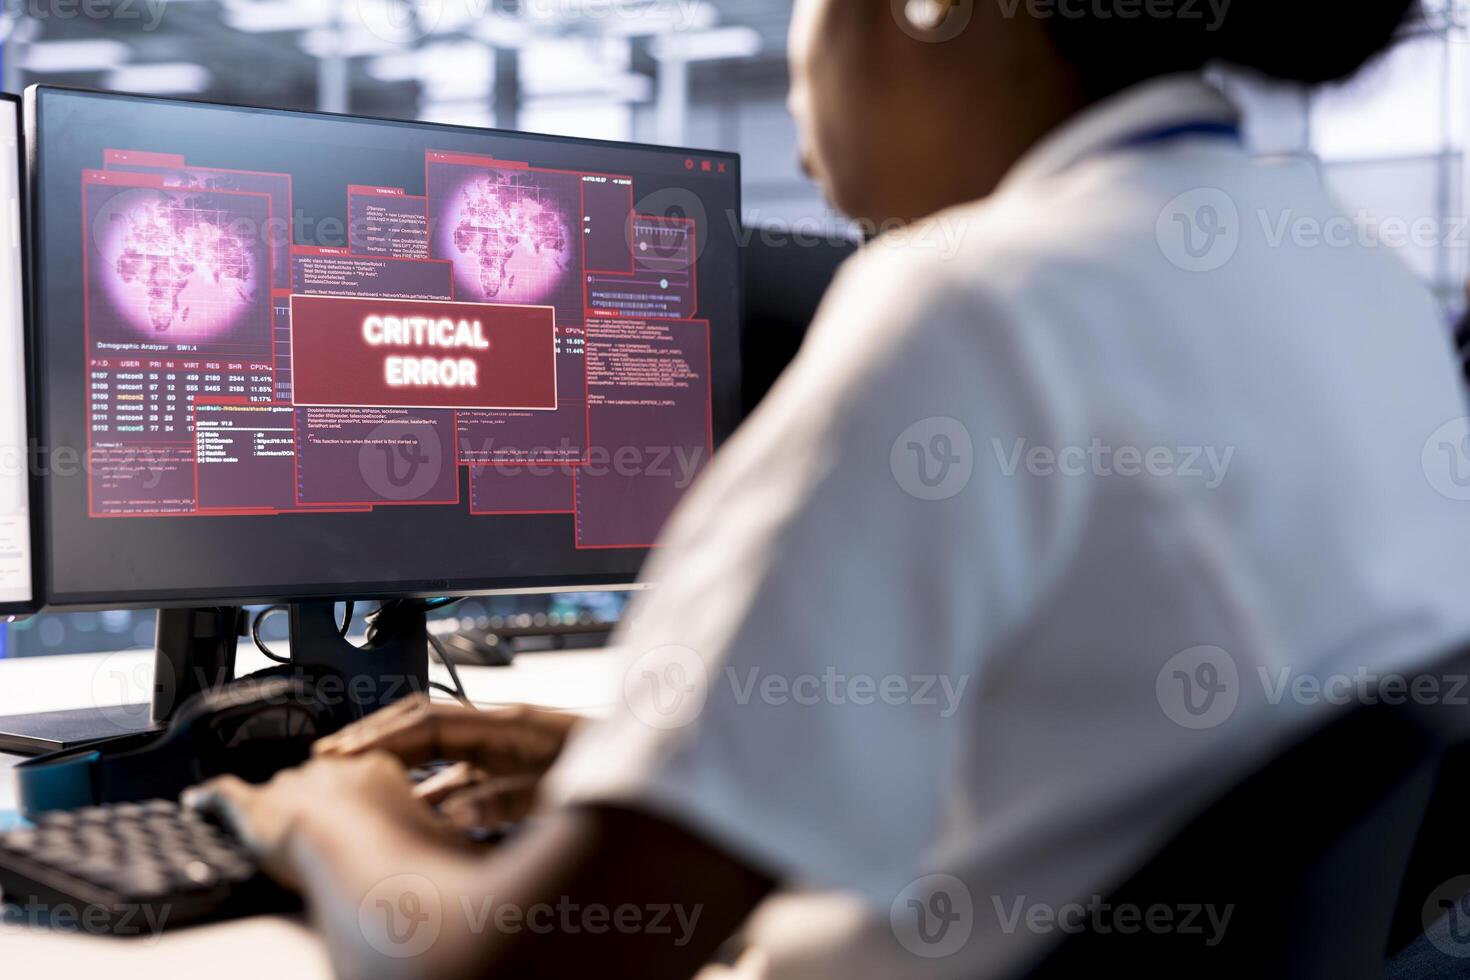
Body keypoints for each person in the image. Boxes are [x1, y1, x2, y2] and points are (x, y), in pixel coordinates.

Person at [186, 1, 1470, 978]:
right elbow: (1116, 776)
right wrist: (647, 773)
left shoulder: (975, 300)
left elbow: (531, 960)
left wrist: (325, 818)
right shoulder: (1350, 282)